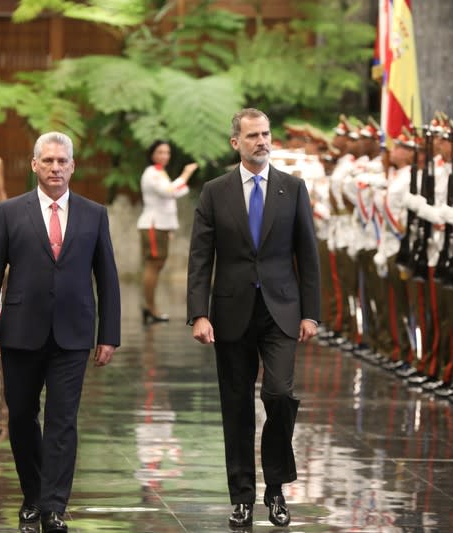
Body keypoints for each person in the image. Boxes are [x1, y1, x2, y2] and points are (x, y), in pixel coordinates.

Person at [0, 131, 121, 533]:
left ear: (72, 166)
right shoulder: (9, 211)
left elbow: (107, 279)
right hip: (19, 333)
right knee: (21, 417)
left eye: (62, 161)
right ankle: (32, 494)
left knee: (63, 420)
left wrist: (109, 335)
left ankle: (54, 506)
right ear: (34, 165)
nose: (55, 168)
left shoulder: (94, 214)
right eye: (48, 161)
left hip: (73, 334)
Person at [187, 108, 320, 528]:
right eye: (252, 136)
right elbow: (200, 257)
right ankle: (241, 496)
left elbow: (308, 255)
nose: (262, 141)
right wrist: (198, 314)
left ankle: (276, 489)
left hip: (282, 310)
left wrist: (311, 314)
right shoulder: (214, 192)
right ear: (236, 143)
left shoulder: (293, 188)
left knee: (279, 396)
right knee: (236, 406)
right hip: (230, 312)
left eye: (266, 134)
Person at [136, 140, 197, 324]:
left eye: (167, 152)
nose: (164, 155)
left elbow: (173, 193)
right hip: (154, 225)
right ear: (152, 154)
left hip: (161, 226)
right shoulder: (152, 173)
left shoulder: (159, 172)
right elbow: (168, 192)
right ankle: (149, 308)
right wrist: (185, 175)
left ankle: (149, 307)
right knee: (153, 265)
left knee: (156, 265)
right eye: (160, 152)